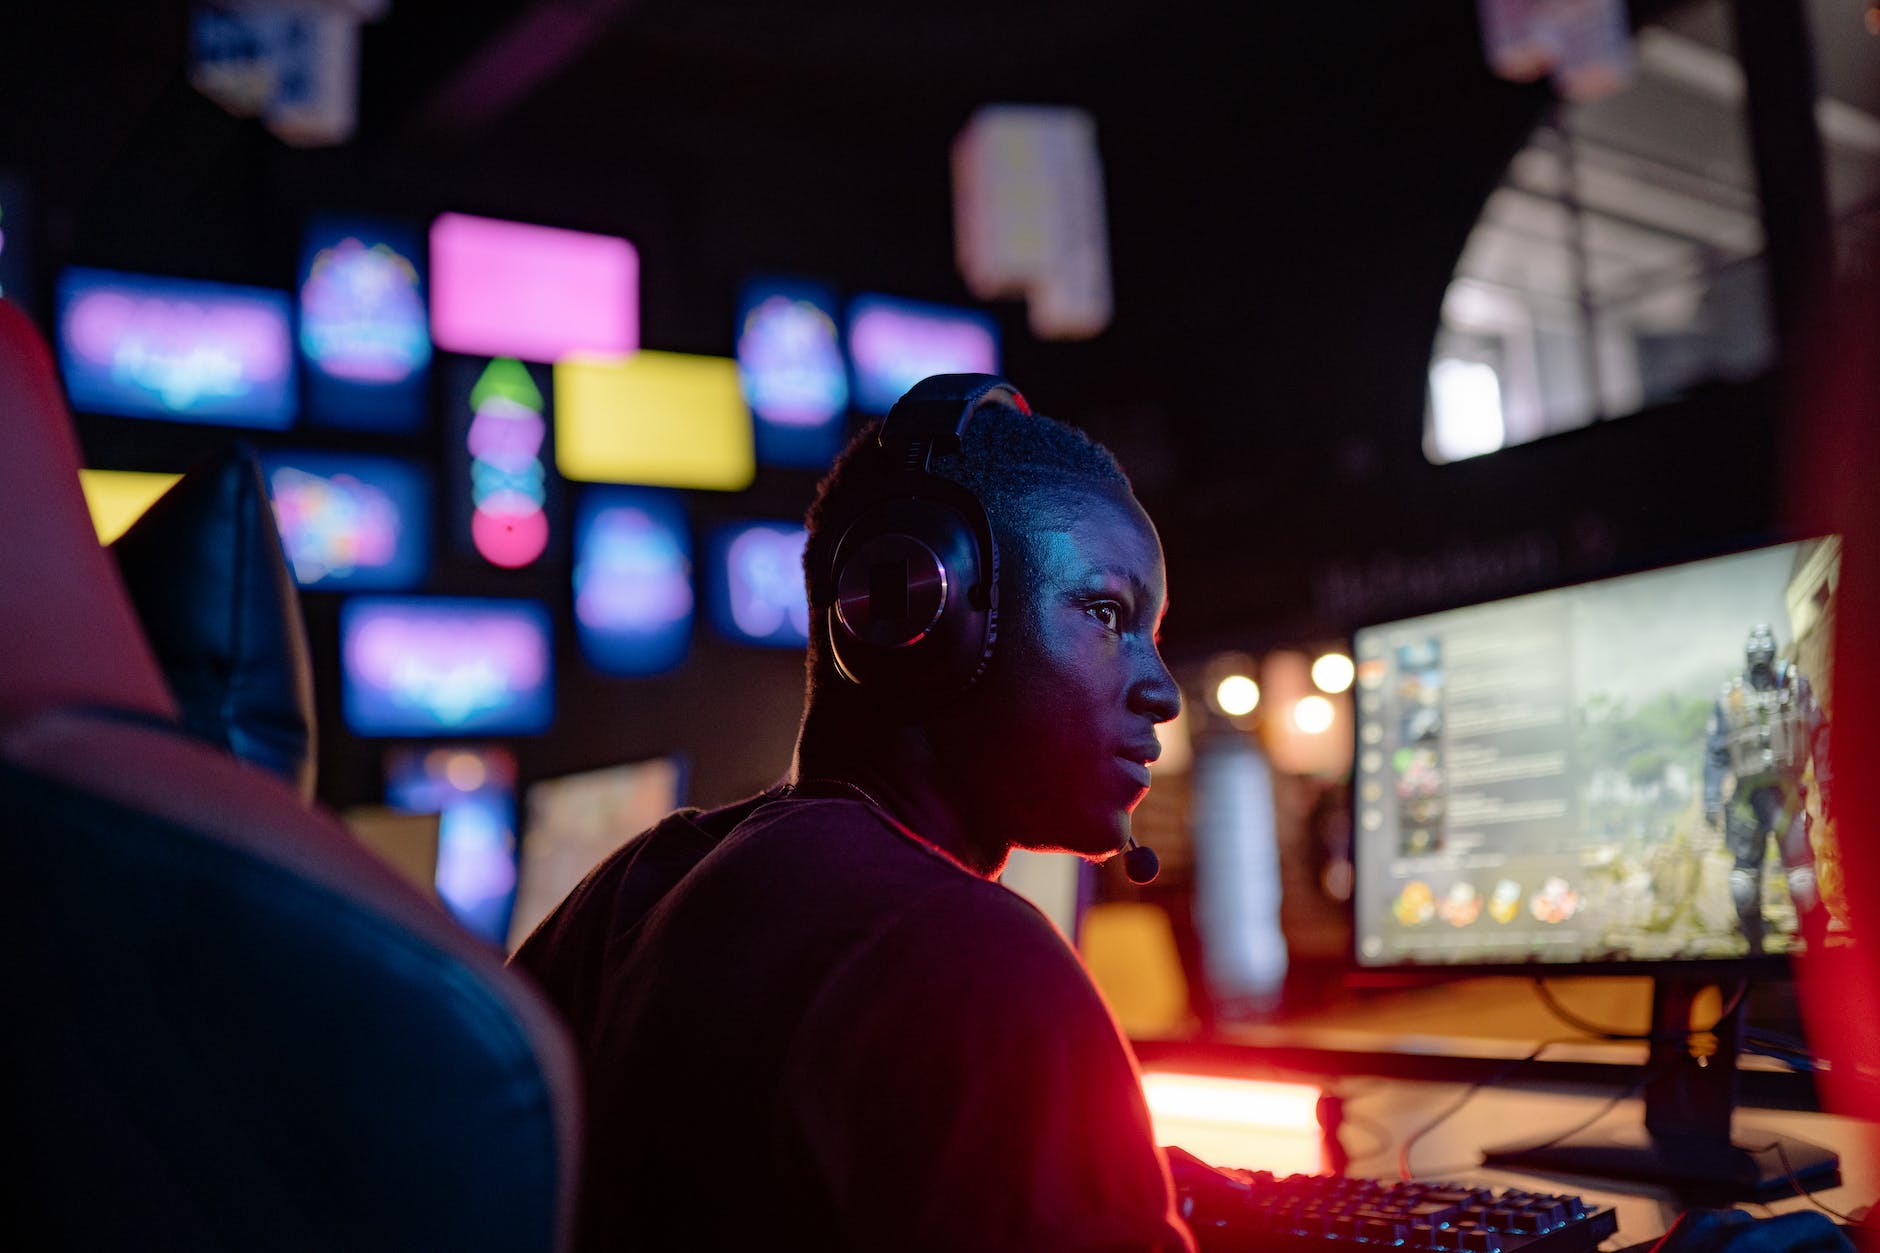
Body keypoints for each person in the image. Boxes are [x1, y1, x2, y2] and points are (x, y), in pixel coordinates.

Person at [512, 375, 1194, 1250]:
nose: (1162, 691)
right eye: (1108, 611)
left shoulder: (630, 893)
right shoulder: (977, 960)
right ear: (920, 609)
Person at [1703, 624, 1831, 954]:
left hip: (1787, 795)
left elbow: (1820, 734)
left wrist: (1827, 781)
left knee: (1803, 881)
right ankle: (1754, 950)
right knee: (1743, 884)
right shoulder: (1729, 698)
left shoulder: (1795, 687)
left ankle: (1814, 949)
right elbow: (1716, 752)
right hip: (1747, 799)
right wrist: (1711, 797)